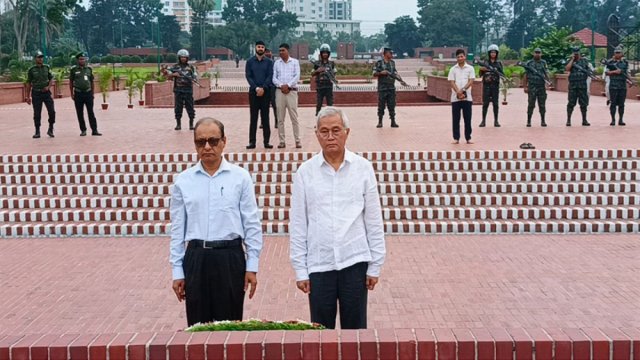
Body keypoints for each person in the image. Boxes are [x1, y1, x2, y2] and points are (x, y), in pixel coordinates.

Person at [289, 106, 386, 329]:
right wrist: (300, 269)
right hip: (319, 265)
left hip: (354, 261)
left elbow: (373, 220)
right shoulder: (305, 172)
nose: (330, 136)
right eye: (324, 131)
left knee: (355, 334)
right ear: (316, 134)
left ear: (347, 132)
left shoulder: (363, 168)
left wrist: (375, 265)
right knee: (321, 334)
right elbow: (298, 224)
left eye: (336, 130)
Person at [169, 117, 263, 326]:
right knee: (197, 328)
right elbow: (177, 229)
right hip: (196, 258)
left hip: (230, 259)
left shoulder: (240, 177)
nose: (207, 147)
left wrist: (252, 266)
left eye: (213, 140)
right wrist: (177, 271)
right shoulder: (184, 180)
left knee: (229, 328)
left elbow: (251, 224)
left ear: (224, 142)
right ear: (195, 145)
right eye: (201, 142)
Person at [245, 40, 274, 149]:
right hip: (253, 93)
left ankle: (266, 142)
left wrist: (263, 88)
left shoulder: (269, 62)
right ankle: (252, 142)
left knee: (265, 118)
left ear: (264, 48)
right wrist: (256, 88)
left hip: (266, 93)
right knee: (253, 118)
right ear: (255, 48)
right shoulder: (250, 62)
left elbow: (270, 76)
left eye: (262, 47)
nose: (260, 48)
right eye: (258, 47)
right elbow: (248, 76)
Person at [272, 43, 301, 149]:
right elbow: (274, 78)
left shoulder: (295, 62)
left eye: (283, 50)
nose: (281, 52)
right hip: (280, 92)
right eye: (279, 50)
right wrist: (281, 86)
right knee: (280, 118)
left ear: (288, 51)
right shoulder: (276, 63)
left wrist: (288, 85)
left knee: (294, 117)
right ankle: (282, 141)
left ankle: (297, 140)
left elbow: (297, 76)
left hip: (292, 92)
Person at [69, 52, 101, 136]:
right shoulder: (74, 70)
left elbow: (92, 82)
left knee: (91, 112)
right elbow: (71, 82)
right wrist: (71, 93)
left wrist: (92, 93)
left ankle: (94, 130)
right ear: (77, 60)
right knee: (80, 113)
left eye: (83, 59)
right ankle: (83, 130)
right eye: (80, 59)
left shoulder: (89, 69)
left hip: (88, 93)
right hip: (78, 93)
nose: (82, 60)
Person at [373, 48, 407, 128]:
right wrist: (381, 73)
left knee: (392, 105)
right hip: (382, 87)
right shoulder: (379, 63)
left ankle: (393, 121)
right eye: (390, 53)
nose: (392, 55)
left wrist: (401, 80)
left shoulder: (392, 63)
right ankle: (380, 122)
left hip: (391, 87)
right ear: (385, 54)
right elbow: (374, 73)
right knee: (381, 105)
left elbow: (395, 73)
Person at [25, 50, 55, 138]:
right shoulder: (31, 70)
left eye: (41, 57)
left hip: (46, 93)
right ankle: (37, 131)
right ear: (35, 59)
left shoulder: (47, 68)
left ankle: (51, 129)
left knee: (52, 111)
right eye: (39, 57)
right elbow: (28, 83)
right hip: (36, 93)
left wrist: (48, 87)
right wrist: (28, 96)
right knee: (37, 113)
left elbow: (51, 79)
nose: (41, 59)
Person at [165, 49, 197, 131]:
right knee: (178, 107)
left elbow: (195, 76)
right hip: (178, 90)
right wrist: (173, 74)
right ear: (179, 58)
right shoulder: (175, 67)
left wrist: (193, 79)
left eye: (185, 57)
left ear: (187, 58)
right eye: (181, 57)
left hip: (188, 90)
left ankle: (191, 124)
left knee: (190, 107)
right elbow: (167, 75)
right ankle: (178, 124)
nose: (183, 59)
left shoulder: (191, 67)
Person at [448, 48, 475, 144]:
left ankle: (468, 138)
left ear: (465, 57)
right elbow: (451, 81)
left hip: (467, 98)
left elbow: (471, 81)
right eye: (458, 56)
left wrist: (463, 90)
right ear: (456, 58)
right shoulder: (453, 69)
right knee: (456, 119)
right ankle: (456, 138)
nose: (460, 58)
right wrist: (458, 92)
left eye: (462, 56)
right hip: (455, 98)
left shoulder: (470, 68)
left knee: (467, 119)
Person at [523, 48, 550, 127]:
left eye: (539, 53)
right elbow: (525, 75)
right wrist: (525, 86)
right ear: (533, 53)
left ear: (541, 54)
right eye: (536, 53)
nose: (537, 54)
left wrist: (548, 82)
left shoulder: (543, 62)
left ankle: (543, 121)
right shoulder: (529, 63)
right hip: (532, 86)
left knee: (542, 104)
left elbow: (546, 73)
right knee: (531, 104)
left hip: (541, 86)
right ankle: (528, 121)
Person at [565, 46, 591, 126]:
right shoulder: (570, 61)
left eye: (577, 53)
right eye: (574, 53)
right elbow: (567, 69)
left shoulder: (584, 61)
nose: (576, 54)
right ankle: (568, 120)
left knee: (584, 104)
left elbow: (589, 71)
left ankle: (584, 120)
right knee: (571, 103)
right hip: (573, 85)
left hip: (582, 85)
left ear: (579, 52)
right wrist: (572, 60)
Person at [479, 44, 504, 128]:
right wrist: (482, 69)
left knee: (495, 104)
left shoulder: (499, 63)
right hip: (486, 86)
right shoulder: (485, 62)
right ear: (489, 53)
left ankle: (496, 120)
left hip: (495, 86)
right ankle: (483, 121)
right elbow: (480, 74)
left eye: (494, 52)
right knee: (485, 104)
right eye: (491, 52)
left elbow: (502, 74)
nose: (493, 54)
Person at [605, 46, 628, 126]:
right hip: (613, 85)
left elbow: (625, 73)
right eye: (616, 52)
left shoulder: (625, 62)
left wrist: (629, 81)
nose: (618, 54)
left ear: (621, 53)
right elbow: (606, 73)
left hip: (622, 85)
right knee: (613, 103)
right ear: (614, 53)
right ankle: (613, 120)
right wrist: (615, 71)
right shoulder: (610, 62)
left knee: (622, 104)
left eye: (619, 52)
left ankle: (621, 119)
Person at [312, 43, 337, 116]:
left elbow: (334, 72)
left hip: (328, 86)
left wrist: (333, 77)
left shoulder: (332, 63)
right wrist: (318, 70)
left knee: (330, 105)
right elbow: (312, 73)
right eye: (323, 53)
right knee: (319, 104)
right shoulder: (317, 63)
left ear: (328, 54)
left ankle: (330, 120)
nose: (325, 54)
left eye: (326, 53)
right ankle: (318, 121)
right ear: (321, 53)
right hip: (320, 86)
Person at [261, 48, 278, 130]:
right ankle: (263, 122)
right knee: (264, 106)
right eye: (266, 52)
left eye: (269, 52)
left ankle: (277, 122)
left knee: (275, 105)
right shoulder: (262, 63)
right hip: (265, 87)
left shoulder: (275, 63)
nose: (268, 53)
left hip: (273, 87)